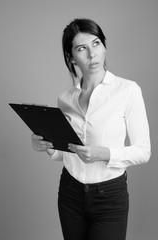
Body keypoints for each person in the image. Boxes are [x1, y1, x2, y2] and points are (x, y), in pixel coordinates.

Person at [31, 18, 151, 240]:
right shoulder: (65, 97)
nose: (92, 54)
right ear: (71, 57)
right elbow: (65, 153)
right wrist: (47, 146)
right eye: (81, 48)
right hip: (70, 193)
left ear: (104, 46)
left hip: (109, 196)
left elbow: (144, 151)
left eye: (96, 44)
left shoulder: (128, 90)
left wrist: (104, 154)